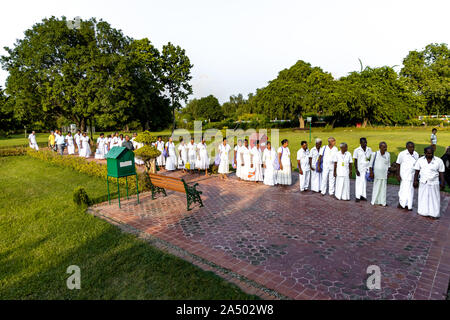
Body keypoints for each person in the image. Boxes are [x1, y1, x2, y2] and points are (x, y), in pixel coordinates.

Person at [413, 146, 445, 219]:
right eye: (428, 153)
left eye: (431, 153)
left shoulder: (439, 161)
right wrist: (415, 180)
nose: (430, 155)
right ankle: (423, 212)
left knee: (434, 198)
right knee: (423, 197)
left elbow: (441, 173)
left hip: (434, 182)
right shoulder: (420, 160)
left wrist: (442, 182)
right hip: (423, 182)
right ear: (425, 153)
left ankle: (434, 214)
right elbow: (417, 171)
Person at [396, 142, 419, 211]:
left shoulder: (416, 154)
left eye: (413, 147)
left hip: (412, 176)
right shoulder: (402, 154)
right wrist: (398, 175)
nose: (412, 148)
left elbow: (417, 166)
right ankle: (401, 204)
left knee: (410, 191)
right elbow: (398, 164)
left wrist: (416, 178)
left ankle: (408, 205)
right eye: (410, 147)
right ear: (406, 147)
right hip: (404, 175)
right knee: (403, 190)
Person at [369, 142, 390, 206]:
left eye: (386, 147)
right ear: (380, 147)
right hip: (377, 174)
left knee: (383, 188)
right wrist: (371, 172)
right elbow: (370, 165)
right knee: (376, 187)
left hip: (384, 174)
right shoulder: (374, 154)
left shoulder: (388, 154)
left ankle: (383, 202)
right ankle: (374, 201)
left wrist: (388, 173)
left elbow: (388, 165)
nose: (385, 148)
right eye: (384, 147)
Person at [353, 137, 372, 202]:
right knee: (358, 182)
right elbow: (355, 160)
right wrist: (356, 170)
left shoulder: (369, 149)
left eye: (366, 142)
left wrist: (370, 168)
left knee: (364, 182)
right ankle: (357, 196)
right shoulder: (357, 150)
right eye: (364, 142)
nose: (365, 143)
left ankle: (363, 196)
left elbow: (370, 159)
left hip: (366, 169)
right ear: (360, 143)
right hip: (360, 169)